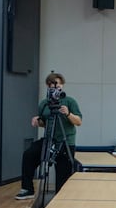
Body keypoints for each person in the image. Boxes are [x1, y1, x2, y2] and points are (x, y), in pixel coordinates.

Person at [16, 72, 82, 200]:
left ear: (62, 86)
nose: (56, 90)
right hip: (49, 139)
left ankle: (61, 197)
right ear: (48, 87)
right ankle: (27, 189)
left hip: (65, 141)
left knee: (63, 172)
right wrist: (37, 120)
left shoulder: (70, 101)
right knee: (29, 154)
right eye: (53, 87)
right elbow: (44, 122)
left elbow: (78, 122)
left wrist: (68, 114)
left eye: (58, 86)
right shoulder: (44, 103)